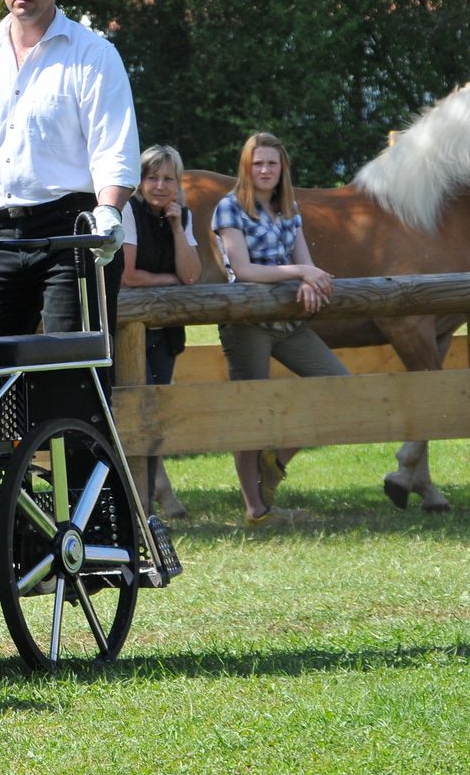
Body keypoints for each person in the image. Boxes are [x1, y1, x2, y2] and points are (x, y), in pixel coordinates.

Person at [0, 0, 139, 338]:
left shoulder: (94, 55)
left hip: (71, 236)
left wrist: (109, 210)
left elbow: (115, 148)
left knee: (74, 381)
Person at [214, 131, 344, 526]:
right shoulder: (229, 208)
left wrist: (308, 279)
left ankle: (276, 460)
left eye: (272, 163)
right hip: (247, 323)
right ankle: (257, 510)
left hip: (289, 323)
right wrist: (303, 271)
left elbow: (306, 262)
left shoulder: (290, 210)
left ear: (282, 168)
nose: (265, 170)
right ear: (246, 168)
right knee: (249, 410)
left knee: (339, 384)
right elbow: (244, 270)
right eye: (258, 163)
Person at [119, 144, 201, 519]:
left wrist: (175, 228)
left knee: (157, 417)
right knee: (139, 415)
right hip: (130, 333)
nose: (159, 186)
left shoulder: (182, 216)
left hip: (166, 333)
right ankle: (137, 504)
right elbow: (129, 275)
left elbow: (192, 274)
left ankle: (148, 503)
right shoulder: (128, 211)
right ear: (140, 181)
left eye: (168, 179)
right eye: (152, 177)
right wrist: (171, 280)